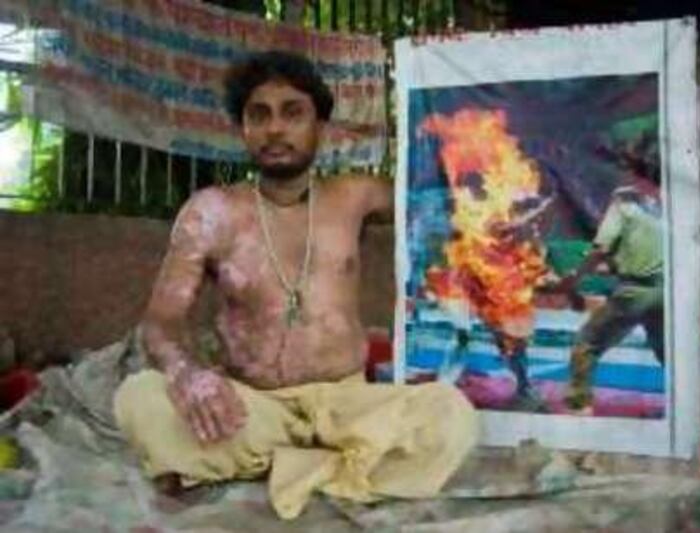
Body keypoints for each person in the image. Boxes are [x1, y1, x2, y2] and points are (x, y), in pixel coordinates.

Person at [113, 51, 477, 520]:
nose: (276, 129)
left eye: (293, 113)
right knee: (139, 399)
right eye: (259, 115)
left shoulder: (356, 195)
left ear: (319, 127)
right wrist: (188, 376)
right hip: (252, 409)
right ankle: (336, 469)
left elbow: (437, 190)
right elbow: (160, 324)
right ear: (242, 128)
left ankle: (281, 468)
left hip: (348, 404)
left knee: (451, 417)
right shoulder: (211, 211)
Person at [557, 173, 664, 415]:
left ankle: (578, 405)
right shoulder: (671, 207)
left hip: (635, 293)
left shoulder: (624, 204)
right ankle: (683, 410)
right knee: (667, 352)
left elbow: (600, 249)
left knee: (587, 343)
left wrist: (573, 278)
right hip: (666, 293)